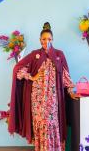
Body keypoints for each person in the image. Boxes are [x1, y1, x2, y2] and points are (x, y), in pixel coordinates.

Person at [8, 22, 79, 151]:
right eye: (44, 39)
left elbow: (65, 75)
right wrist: (32, 77)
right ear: (40, 40)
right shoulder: (35, 55)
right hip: (37, 97)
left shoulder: (59, 54)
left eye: (49, 39)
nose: (46, 42)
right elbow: (18, 69)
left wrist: (70, 91)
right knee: (41, 123)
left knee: (51, 122)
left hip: (53, 98)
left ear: (53, 40)